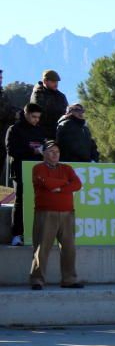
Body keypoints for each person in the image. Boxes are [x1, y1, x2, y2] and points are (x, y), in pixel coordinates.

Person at [28, 141, 83, 289]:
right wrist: (65, 184)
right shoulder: (38, 168)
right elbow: (47, 183)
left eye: (57, 152)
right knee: (42, 247)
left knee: (69, 248)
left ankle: (69, 279)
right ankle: (37, 280)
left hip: (67, 214)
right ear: (44, 153)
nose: (55, 154)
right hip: (46, 213)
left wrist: (60, 186)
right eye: (51, 151)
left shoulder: (66, 168)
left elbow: (77, 184)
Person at [5, 104, 46, 246]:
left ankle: (35, 233)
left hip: (38, 171)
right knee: (20, 201)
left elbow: (45, 147)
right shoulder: (14, 129)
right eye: (34, 117)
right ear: (26, 114)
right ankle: (16, 235)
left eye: (38, 117)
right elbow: (11, 150)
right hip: (20, 170)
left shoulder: (40, 130)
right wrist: (32, 151)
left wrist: (44, 151)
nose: (36, 120)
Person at [29, 69, 69, 140]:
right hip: (43, 133)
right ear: (45, 81)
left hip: (60, 131)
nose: (56, 84)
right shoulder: (38, 94)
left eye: (57, 82)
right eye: (53, 81)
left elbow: (67, 112)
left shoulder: (61, 96)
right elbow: (39, 114)